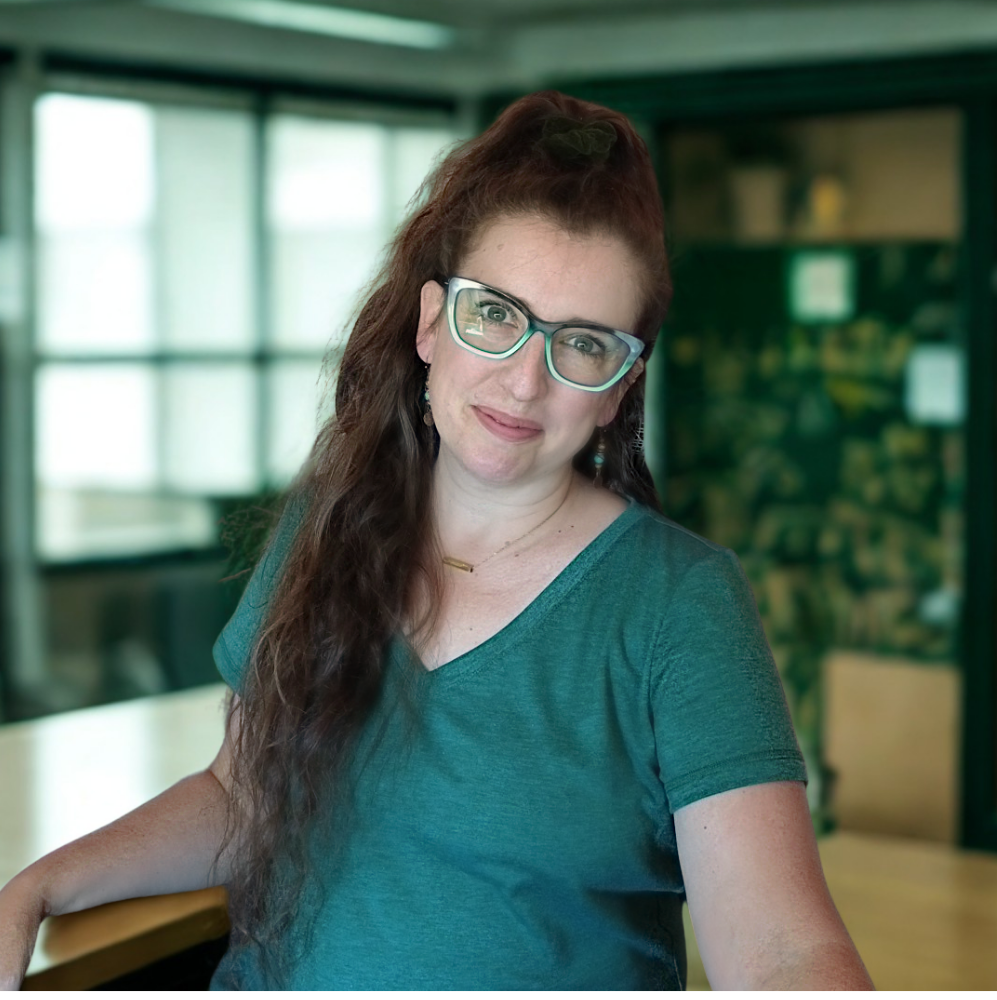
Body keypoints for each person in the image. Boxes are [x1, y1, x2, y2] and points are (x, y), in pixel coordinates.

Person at [0, 90, 874, 991]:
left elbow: (781, 952)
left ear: (619, 388)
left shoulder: (678, 604)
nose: (523, 381)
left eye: (581, 345)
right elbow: (244, 799)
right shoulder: (324, 531)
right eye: (495, 315)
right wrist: (34, 887)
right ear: (430, 326)